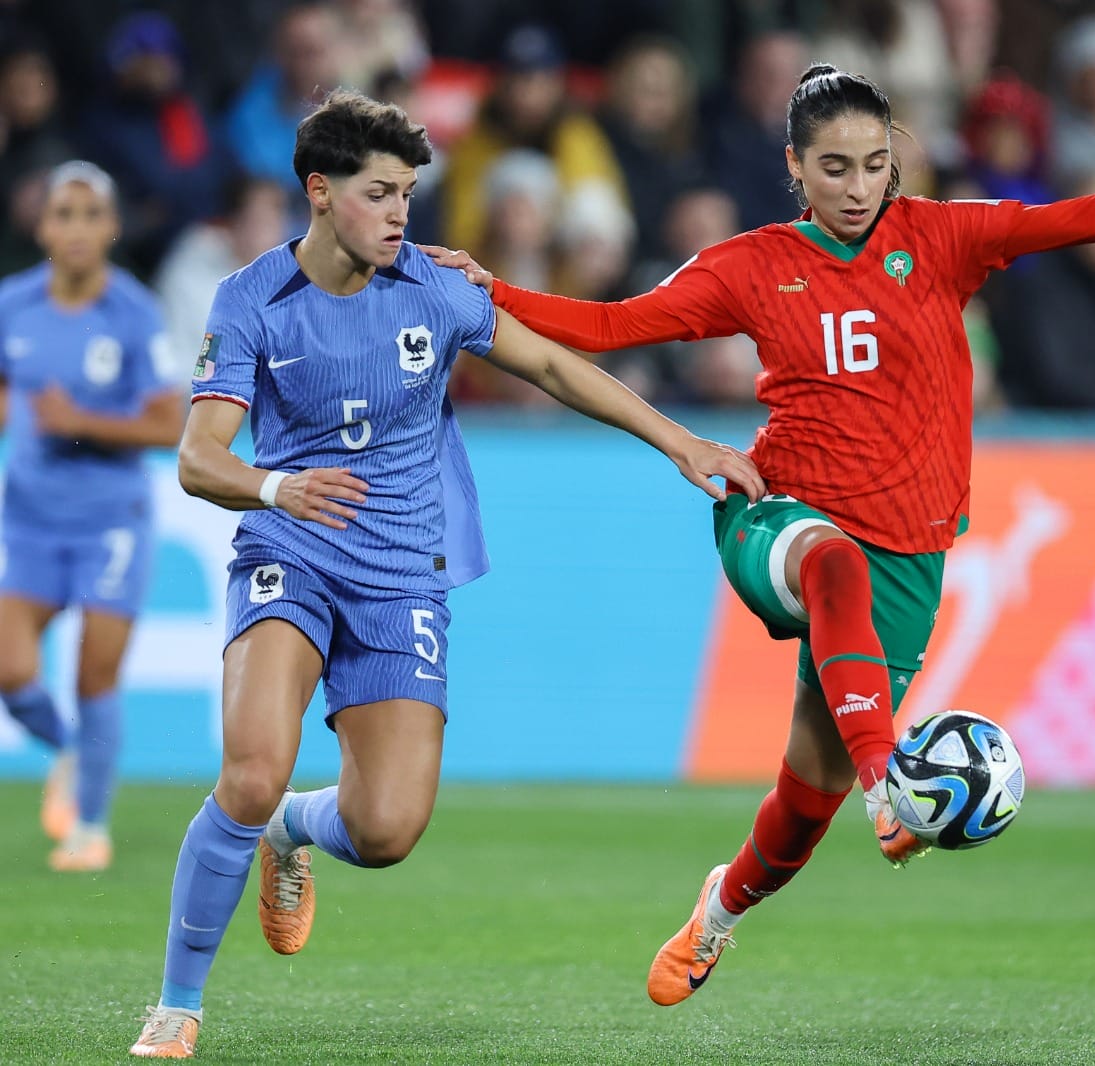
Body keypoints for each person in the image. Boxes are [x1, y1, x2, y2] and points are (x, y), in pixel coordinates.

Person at [427, 64, 1095, 1006]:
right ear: (795, 165)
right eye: (835, 168)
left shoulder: (942, 239)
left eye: (876, 164)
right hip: (775, 507)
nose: (860, 187)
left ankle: (722, 911)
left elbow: (1072, 219)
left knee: (801, 805)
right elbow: (615, 324)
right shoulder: (751, 265)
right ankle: (889, 781)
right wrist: (497, 291)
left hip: (911, 552)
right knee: (833, 569)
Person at [127, 90, 761, 1058]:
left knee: (384, 829)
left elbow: (548, 366)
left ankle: (293, 835)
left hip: (399, 574)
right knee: (250, 772)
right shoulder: (250, 297)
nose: (398, 214)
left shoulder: (432, 286)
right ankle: (177, 1002)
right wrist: (277, 486)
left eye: (409, 196)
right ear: (320, 191)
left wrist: (677, 441)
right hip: (289, 552)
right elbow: (197, 458)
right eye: (380, 193)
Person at [0, 161, 184, 874]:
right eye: (62, 214)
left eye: (90, 215)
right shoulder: (13, 304)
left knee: (94, 677)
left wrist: (81, 422)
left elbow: (170, 424)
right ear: (41, 226)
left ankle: (91, 828)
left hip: (110, 518)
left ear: (111, 227)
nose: (75, 229)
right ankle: (71, 753)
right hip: (32, 519)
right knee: (13, 674)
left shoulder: (134, 314)